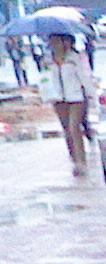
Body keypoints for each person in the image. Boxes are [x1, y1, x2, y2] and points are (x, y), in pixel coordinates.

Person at [39, 31, 96, 177]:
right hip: (58, 99)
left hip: (76, 97)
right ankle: (74, 159)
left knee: (74, 127)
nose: (55, 45)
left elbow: (84, 77)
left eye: (58, 41)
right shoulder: (48, 60)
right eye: (52, 42)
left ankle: (81, 162)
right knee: (67, 130)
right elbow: (45, 80)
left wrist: (91, 95)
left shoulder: (74, 58)